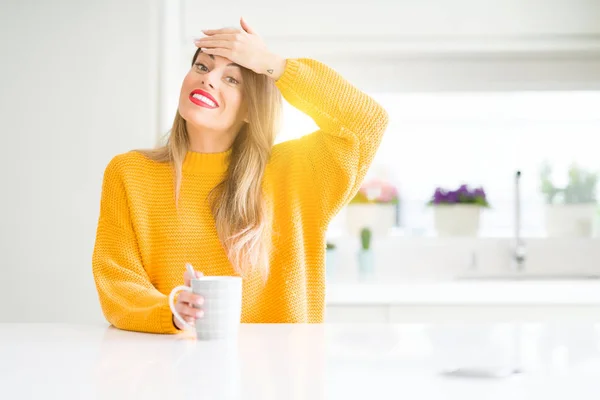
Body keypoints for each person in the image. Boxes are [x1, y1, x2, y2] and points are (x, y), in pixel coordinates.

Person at [92, 18, 389, 334]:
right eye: (203, 67)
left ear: (251, 108)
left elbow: (367, 121)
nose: (208, 81)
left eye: (232, 79)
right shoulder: (130, 173)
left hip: (279, 375)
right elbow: (118, 280)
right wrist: (172, 312)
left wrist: (271, 64)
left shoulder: (296, 171)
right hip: (174, 369)